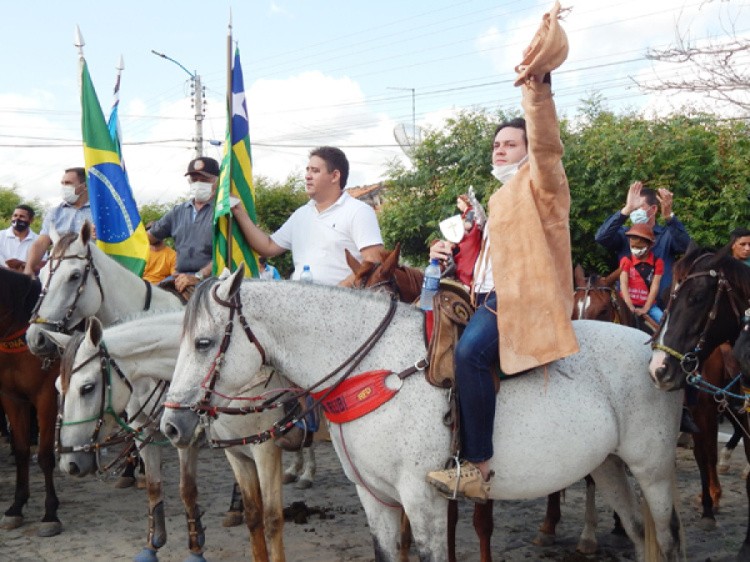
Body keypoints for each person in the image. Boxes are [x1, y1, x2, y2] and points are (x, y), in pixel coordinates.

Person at [425, 6, 579, 503]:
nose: (498, 149)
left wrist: (537, 87)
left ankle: (478, 466)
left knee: (470, 355)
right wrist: (446, 252)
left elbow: (548, 142)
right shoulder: (497, 199)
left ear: (528, 150)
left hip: (517, 302)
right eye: (495, 144)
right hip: (483, 295)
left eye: (509, 144)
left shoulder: (543, 185)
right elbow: (483, 262)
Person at [231, 146, 384, 449]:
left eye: (314, 170)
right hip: (299, 305)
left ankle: (309, 419)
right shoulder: (302, 214)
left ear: (335, 175)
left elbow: (373, 259)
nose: (307, 175)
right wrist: (238, 212)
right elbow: (269, 247)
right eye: (307, 170)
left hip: (342, 308)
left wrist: (335, 292)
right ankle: (291, 418)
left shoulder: (358, 211)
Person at [595, 180, 691, 307]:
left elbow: (686, 246)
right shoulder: (625, 235)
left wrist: (669, 218)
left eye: (639, 207)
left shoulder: (667, 235)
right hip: (626, 309)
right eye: (633, 208)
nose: (635, 212)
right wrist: (626, 210)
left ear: (653, 209)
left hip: (659, 309)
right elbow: (601, 237)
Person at [147, 157, 218, 294]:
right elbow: (148, 238)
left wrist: (198, 276)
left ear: (216, 181)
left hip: (214, 281)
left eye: (204, 180)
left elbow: (226, 254)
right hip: (180, 276)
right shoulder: (177, 212)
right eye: (194, 180)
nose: (198, 184)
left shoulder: (224, 213)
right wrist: (109, 235)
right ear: (189, 181)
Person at [24, 167, 94, 276]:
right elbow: (41, 243)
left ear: (84, 186)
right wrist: (29, 269)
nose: (64, 187)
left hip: (92, 271)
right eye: (63, 183)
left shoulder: (99, 213)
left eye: (68, 183)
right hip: (60, 272)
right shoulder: (55, 213)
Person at [619, 223, 663, 325]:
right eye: (632, 246)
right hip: (625, 303)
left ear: (650, 245)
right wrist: (629, 305)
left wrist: (645, 308)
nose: (635, 250)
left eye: (639, 247)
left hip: (649, 306)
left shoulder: (657, 262)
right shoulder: (626, 260)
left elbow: (655, 286)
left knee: (664, 323)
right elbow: (623, 283)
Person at [0, 204, 41, 272]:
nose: (17, 219)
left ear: (31, 220)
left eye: (21, 216)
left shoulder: (38, 240)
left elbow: (42, 264)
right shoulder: (1, 235)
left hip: (25, 280)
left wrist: (21, 264)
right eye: (15, 215)